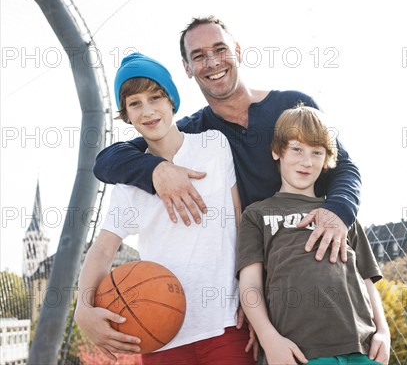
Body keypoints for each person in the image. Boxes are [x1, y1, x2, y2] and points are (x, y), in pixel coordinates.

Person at [93, 16, 361, 264]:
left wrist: (337, 212)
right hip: (258, 269)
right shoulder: (195, 134)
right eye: (198, 56)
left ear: (238, 52)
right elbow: (106, 161)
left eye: (220, 49)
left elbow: (344, 168)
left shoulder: (293, 106)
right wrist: (156, 169)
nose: (212, 62)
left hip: (318, 251)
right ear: (187, 68)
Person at [75, 53, 255, 364]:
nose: (147, 110)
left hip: (225, 322)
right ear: (127, 115)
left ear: (171, 100)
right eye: (135, 104)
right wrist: (82, 307)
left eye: (155, 97)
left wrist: (253, 296)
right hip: (158, 331)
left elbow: (240, 224)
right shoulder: (129, 184)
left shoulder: (213, 145)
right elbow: (103, 249)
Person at [237, 105, 390, 365]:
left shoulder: (340, 217)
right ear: (277, 151)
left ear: (327, 159)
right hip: (299, 353)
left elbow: (367, 281)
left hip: (362, 350)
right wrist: (268, 338)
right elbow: (250, 285)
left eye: (316, 152)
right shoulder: (257, 215)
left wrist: (384, 332)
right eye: (296, 149)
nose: (306, 161)